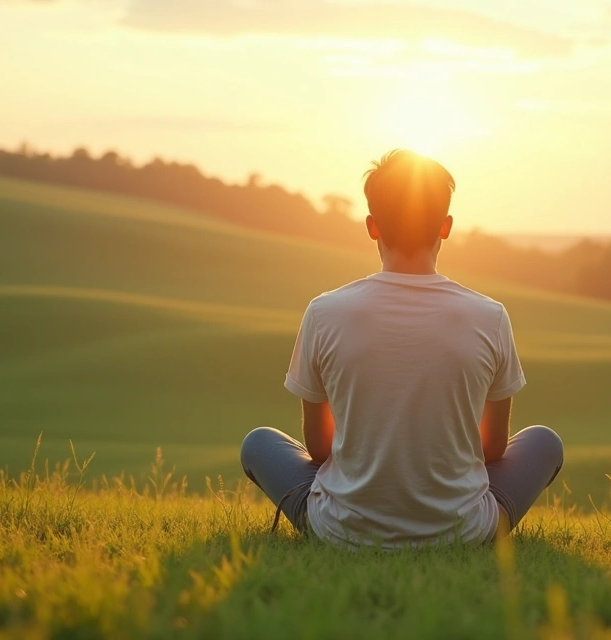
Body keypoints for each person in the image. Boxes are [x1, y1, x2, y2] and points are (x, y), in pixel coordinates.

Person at [240, 149, 563, 547]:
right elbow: (494, 447)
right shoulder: (489, 316)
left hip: (340, 531)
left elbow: (320, 449)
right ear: (445, 227)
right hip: (465, 532)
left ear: (372, 227)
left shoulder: (323, 312)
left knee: (259, 442)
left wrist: (371, 445)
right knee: (544, 441)